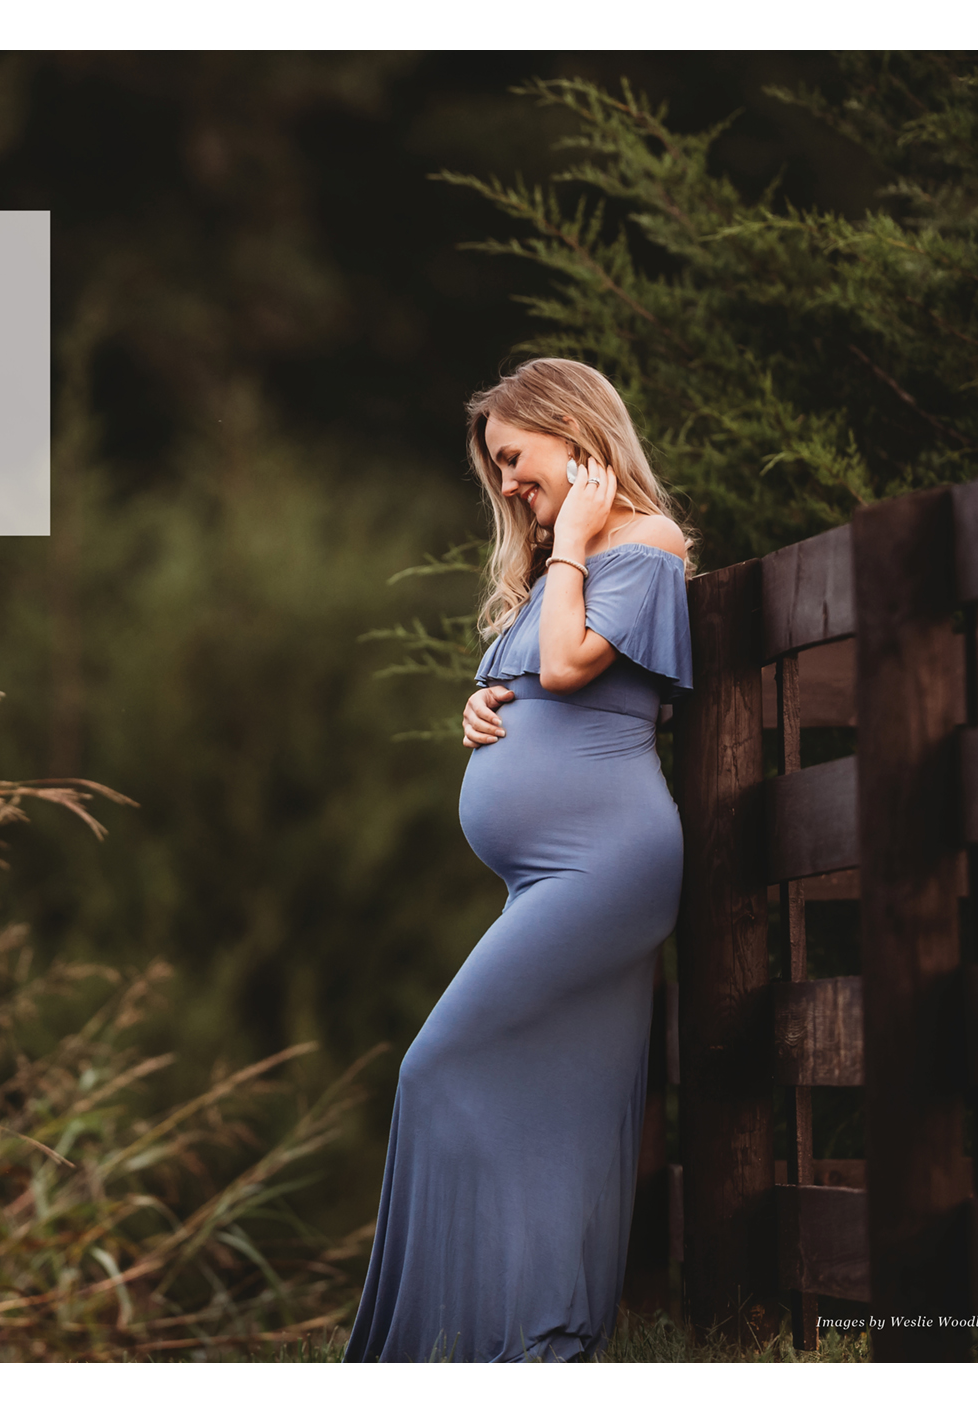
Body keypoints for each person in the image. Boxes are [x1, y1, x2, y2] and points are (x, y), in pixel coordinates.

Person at [344, 358, 691, 1362]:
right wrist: (479, 704)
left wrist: (573, 544)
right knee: (562, 1100)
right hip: (548, 870)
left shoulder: (641, 544)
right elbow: (537, 680)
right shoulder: (565, 569)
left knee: (436, 1065)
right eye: (492, 466)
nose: (503, 483)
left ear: (572, 432)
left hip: (603, 864)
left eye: (512, 456)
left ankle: (458, 1341)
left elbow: (567, 665)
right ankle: (532, 1342)